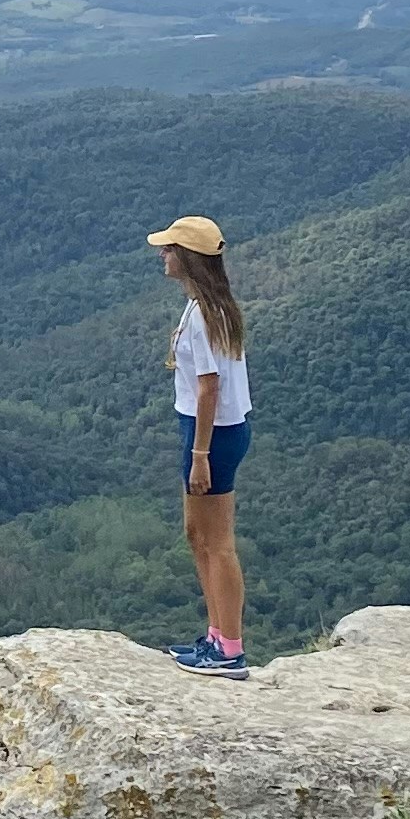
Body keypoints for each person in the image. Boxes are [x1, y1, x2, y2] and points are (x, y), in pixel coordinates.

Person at [150, 212, 251, 678]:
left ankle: (230, 648)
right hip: (208, 430)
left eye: (170, 249)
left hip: (212, 434)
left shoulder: (205, 316)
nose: (162, 255)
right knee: (198, 536)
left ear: (189, 258)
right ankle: (215, 635)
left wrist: (199, 455)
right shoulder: (206, 305)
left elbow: (209, 386)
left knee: (218, 543)